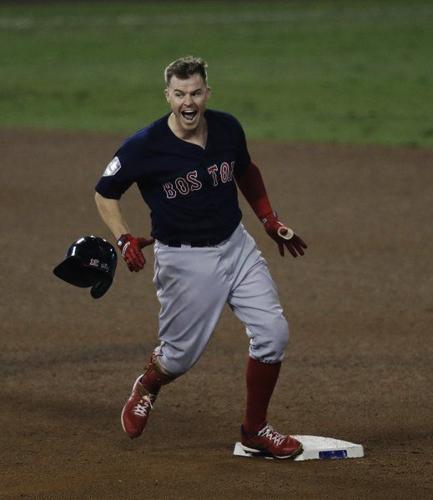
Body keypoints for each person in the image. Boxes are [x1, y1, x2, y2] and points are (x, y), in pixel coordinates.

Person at [94, 56, 307, 459]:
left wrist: (268, 218)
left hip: (236, 246)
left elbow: (246, 169)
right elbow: (105, 192)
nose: (187, 102)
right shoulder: (145, 145)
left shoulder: (227, 127)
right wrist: (123, 238)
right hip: (185, 262)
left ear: (207, 93)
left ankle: (255, 429)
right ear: (168, 96)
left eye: (195, 93)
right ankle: (149, 383)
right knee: (178, 359)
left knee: (273, 334)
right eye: (179, 94)